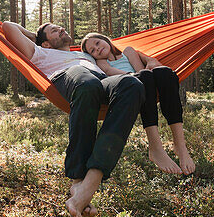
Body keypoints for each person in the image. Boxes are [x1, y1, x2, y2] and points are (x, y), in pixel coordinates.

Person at [2, 21, 146, 217]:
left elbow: (114, 57)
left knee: (133, 85)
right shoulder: (39, 52)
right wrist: (37, 37)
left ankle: (87, 182)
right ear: (46, 44)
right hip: (70, 77)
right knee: (88, 85)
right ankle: (80, 178)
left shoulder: (86, 54)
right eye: (54, 30)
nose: (61, 28)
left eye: (60, 27)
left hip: (100, 81)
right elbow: (8, 26)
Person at [80, 32, 195, 175]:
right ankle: (155, 147)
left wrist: (151, 62)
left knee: (165, 72)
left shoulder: (128, 51)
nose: (97, 49)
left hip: (147, 80)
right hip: (130, 87)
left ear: (105, 40)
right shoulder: (102, 63)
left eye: (97, 43)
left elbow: (147, 64)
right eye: (92, 51)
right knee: (143, 77)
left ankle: (180, 146)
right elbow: (110, 71)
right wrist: (133, 76)